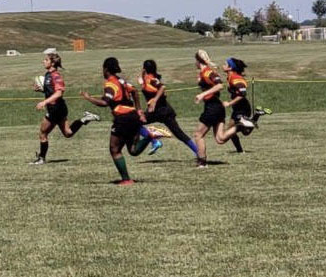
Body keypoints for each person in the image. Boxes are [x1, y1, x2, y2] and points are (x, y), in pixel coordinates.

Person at [81, 57, 164, 185]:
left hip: (122, 118)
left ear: (106, 69)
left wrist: (89, 98)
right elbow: (135, 91)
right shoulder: (122, 81)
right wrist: (139, 111)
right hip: (133, 116)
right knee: (133, 150)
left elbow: (104, 102)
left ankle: (126, 179)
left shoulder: (110, 84)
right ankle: (150, 136)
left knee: (114, 149)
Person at [30, 50, 100, 165]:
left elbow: (59, 93)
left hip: (56, 109)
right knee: (68, 133)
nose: (43, 61)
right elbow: (51, 91)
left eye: (46, 59)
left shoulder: (56, 76)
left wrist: (44, 102)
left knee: (43, 133)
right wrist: (41, 90)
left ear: (52, 63)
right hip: (57, 108)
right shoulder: (48, 74)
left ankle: (41, 158)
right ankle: (84, 119)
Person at [139, 59, 199, 159]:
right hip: (165, 110)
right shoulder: (148, 78)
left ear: (144, 68)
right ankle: (198, 152)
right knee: (180, 135)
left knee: (135, 123)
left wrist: (154, 100)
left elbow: (162, 88)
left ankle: (155, 141)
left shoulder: (151, 79)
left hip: (158, 111)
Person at [221, 58, 273, 153]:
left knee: (246, 132)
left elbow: (242, 94)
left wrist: (229, 103)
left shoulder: (236, 78)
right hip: (237, 108)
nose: (223, 65)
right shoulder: (230, 76)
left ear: (230, 67)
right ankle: (240, 151)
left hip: (243, 108)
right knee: (230, 132)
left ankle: (256, 115)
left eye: (225, 64)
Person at [192, 49, 228, 168]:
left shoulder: (208, 72)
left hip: (213, 107)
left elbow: (220, 85)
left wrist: (202, 95)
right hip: (217, 107)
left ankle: (202, 163)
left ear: (198, 61)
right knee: (220, 139)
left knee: (198, 135)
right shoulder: (204, 72)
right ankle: (239, 126)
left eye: (195, 61)